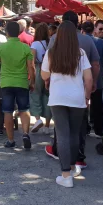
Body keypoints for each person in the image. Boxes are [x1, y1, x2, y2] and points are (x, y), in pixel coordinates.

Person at [45, 11, 100, 168]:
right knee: (78, 130)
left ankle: (63, 163)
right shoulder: (87, 41)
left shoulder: (55, 40)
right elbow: (95, 64)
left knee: (62, 131)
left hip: (58, 92)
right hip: (80, 91)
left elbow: (48, 67)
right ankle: (78, 158)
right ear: (77, 23)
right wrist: (92, 85)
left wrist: (48, 82)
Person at [42, 21, 93, 187]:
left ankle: (65, 175)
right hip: (77, 99)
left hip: (58, 98)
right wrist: (86, 96)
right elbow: (89, 79)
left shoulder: (51, 53)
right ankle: (71, 167)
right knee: (74, 134)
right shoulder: (81, 54)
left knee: (62, 134)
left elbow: (44, 75)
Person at [0, 20, 35, 149]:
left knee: (7, 111)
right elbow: (31, 67)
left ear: (6, 32)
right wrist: (32, 81)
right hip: (22, 82)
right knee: (24, 110)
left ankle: (11, 140)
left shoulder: (1, 47)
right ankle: (25, 133)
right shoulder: (25, 47)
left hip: (6, 83)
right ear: (19, 32)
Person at [83, 20, 103, 139]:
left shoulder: (80, 41)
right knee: (98, 104)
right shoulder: (100, 43)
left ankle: (85, 128)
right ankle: (99, 129)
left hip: (82, 79)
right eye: (101, 29)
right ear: (94, 29)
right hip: (97, 77)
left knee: (83, 103)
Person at [29, 23, 51, 134]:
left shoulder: (35, 44)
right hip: (49, 71)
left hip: (38, 69)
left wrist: (32, 78)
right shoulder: (50, 42)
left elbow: (32, 61)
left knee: (35, 94)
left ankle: (37, 120)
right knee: (48, 96)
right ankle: (47, 125)